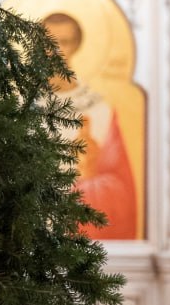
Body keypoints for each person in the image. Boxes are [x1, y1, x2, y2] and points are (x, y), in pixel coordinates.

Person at [43, 12, 137, 240]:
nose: (55, 50)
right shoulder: (19, 102)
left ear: (75, 46)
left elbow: (120, 184)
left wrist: (90, 168)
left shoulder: (98, 110)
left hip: (77, 226)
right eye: (48, 42)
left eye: (63, 42)